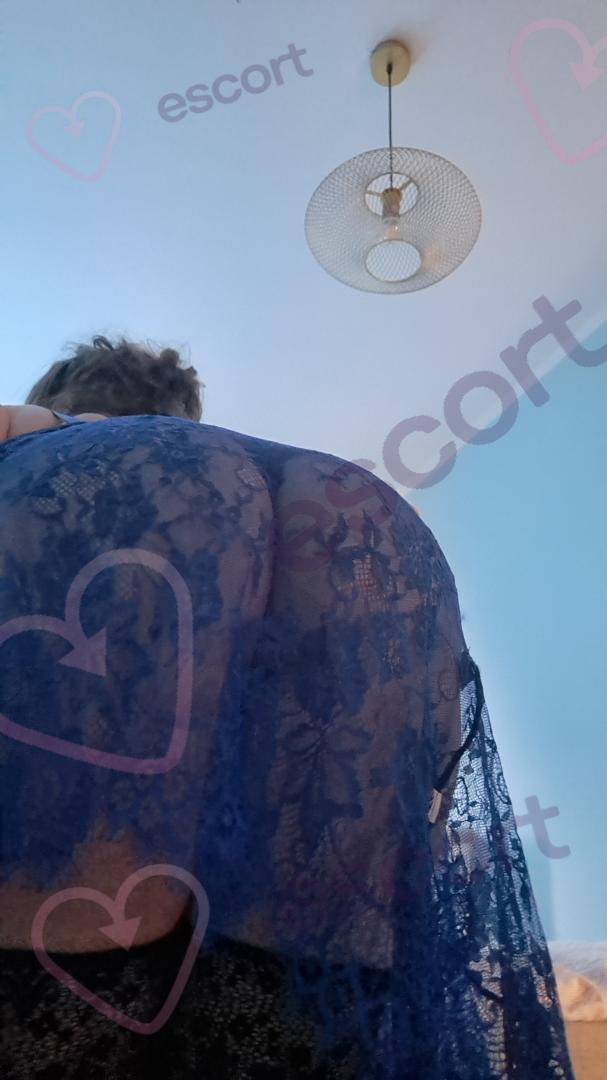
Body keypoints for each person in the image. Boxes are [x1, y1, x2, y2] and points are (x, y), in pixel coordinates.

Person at [0, 336, 574, 1078]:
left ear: (62, 401)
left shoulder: (39, 438)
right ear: (181, 413)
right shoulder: (292, 484)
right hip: (373, 521)